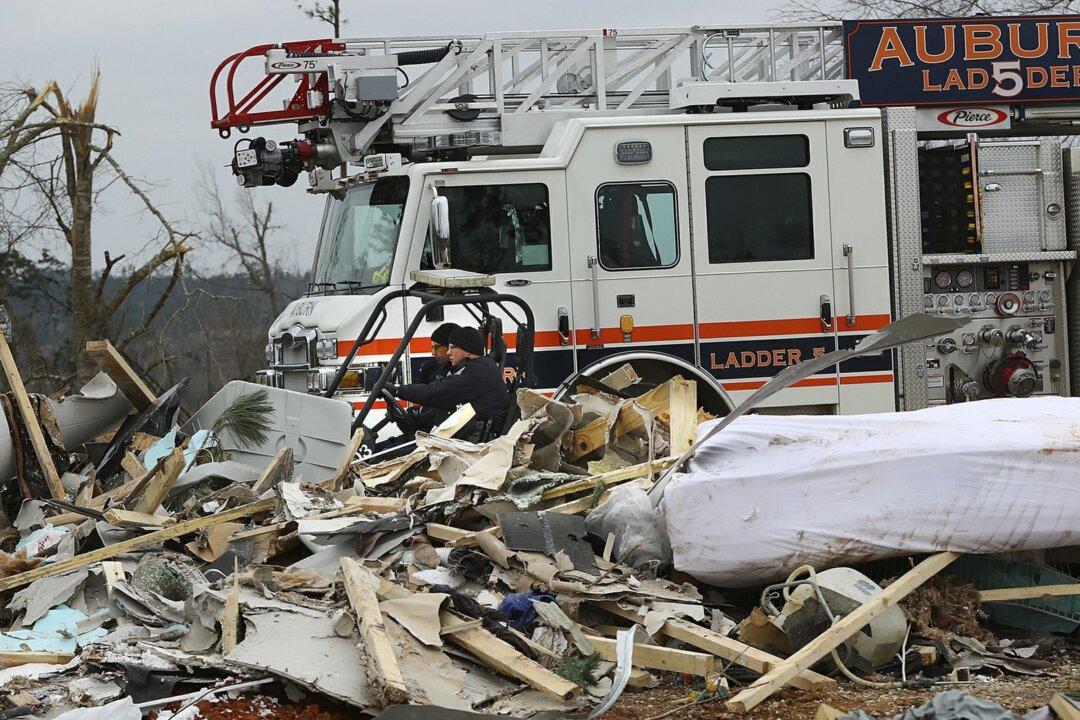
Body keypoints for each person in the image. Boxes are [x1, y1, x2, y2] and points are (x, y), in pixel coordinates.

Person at [388, 326, 508, 434]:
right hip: (463, 438)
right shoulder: (477, 367)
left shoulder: (476, 372)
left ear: (467, 350)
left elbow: (435, 393)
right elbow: (444, 403)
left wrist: (398, 390)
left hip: (469, 446)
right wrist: (418, 414)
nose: (449, 352)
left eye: (452, 347)